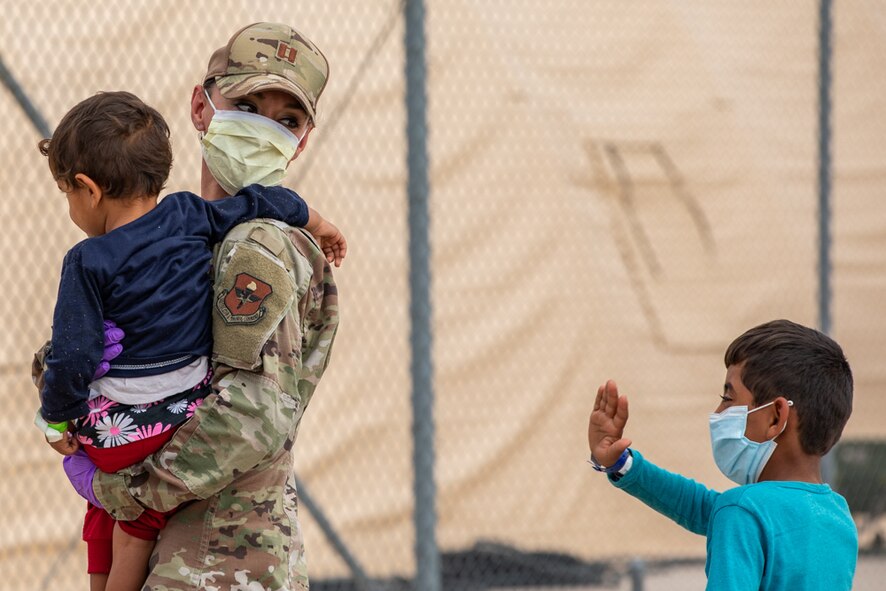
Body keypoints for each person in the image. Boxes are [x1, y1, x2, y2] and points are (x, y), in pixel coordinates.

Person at [46, 22, 340, 590]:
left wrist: (128, 494)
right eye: (248, 103)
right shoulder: (184, 234)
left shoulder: (259, 244)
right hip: (190, 551)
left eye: (287, 120)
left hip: (220, 558)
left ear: (302, 141)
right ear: (201, 108)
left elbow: (253, 411)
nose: (262, 128)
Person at [587, 319, 858, 590]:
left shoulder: (743, 511)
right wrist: (621, 464)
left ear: (776, 417)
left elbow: (728, 513)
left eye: (727, 399)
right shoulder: (838, 515)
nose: (717, 413)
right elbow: (701, 507)